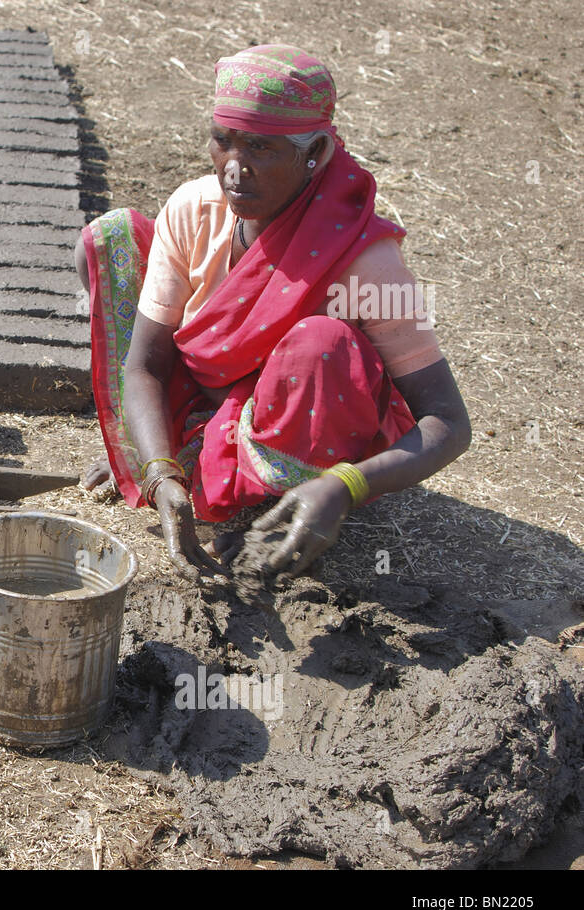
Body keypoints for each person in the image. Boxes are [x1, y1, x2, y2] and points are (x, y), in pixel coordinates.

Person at [76, 44, 471, 582]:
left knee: (321, 344)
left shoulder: (365, 258)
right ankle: (178, 452)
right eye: (223, 141)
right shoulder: (194, 210)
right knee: (113, 239)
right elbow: (145, 364)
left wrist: (346, 485)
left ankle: (279, 501)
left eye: (260, 148)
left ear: (317, 154)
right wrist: (156, 467)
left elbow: (447, 423)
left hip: (304, 417)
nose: (234, 169)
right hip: (205, 401)